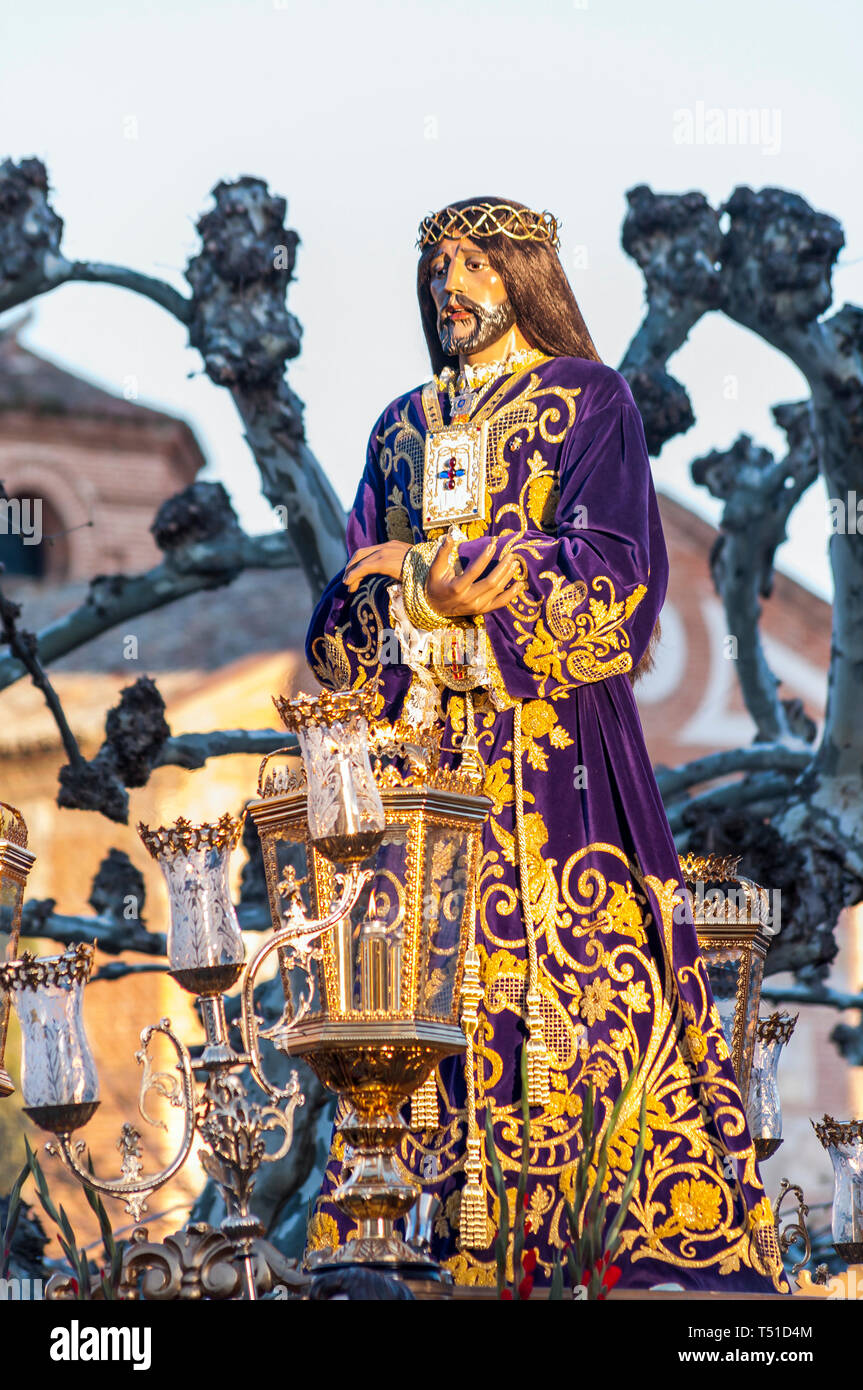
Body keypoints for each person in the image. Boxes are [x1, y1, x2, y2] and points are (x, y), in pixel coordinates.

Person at [303, 196, 786, 1293]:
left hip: (558, 769)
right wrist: (412, 595)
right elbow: (342, 639)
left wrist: (465, 576)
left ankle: (607, 1240)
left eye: (473, 265)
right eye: (436, 270)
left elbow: (619, 578)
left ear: (522, 278)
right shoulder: (396, 428)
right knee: (411, 1020)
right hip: (422, 785)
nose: (449, 287)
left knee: (596, 996)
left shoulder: (589, 401)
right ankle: (409, 1236)